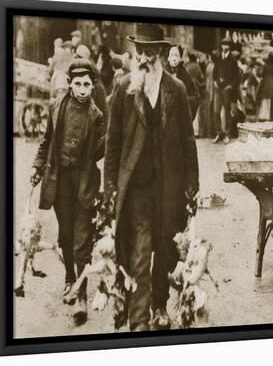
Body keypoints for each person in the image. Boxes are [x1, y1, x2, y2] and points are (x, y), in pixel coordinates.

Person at [104, 24, 199, 332]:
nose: (145, 57)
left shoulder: (177, 89)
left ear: (160, 53)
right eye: (141, 51)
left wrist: (192, 185)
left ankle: (160, 305)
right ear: (135, 52)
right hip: (136, 188)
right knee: (141, 250)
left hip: (168, 186)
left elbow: (188, 140)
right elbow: (113, 142)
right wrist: (109, 187)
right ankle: (139, 321)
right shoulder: (123, 87)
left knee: (166, 249)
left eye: (151, 51)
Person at [30, 59, 106, 325]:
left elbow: (98, 152)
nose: (83, 89)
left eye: (87, 84)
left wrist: (108, 139)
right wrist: (38, 167)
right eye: (78, 84)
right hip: (60, 180)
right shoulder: (56, 107)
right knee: (65, 235)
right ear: (69, 84)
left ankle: (82, 294)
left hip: (84, 182)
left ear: (93, 85)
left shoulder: (97, 116)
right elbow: (46, 142)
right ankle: (69, 279)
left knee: (82, 239)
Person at [212, 37, 240, 144]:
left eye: (227, 45)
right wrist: (215, 81)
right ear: (221, 46)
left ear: (229, 47)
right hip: (218, 88)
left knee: (227, 112)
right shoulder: (219, 58)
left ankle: (227, 134)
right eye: (223, 45)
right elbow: (215, 72)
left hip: (227, 89)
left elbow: (237, 76)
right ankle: (219, 133)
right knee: (216, 111)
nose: (225, 47)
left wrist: (231, 86)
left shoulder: (233, 60)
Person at [166, 44, 200, 121]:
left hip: (179, 118)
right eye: (172, 55)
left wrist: (183, 100)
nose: (174, 58)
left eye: (176, 55)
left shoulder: (186, 76)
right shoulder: (162, 74)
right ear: (168, 58)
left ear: (180, 58)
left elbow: (195, 97)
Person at [257, 51, 273, 121]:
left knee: (265, 100)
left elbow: (261, 73)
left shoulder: (266, 65)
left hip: (266, 84)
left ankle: (264, 116)